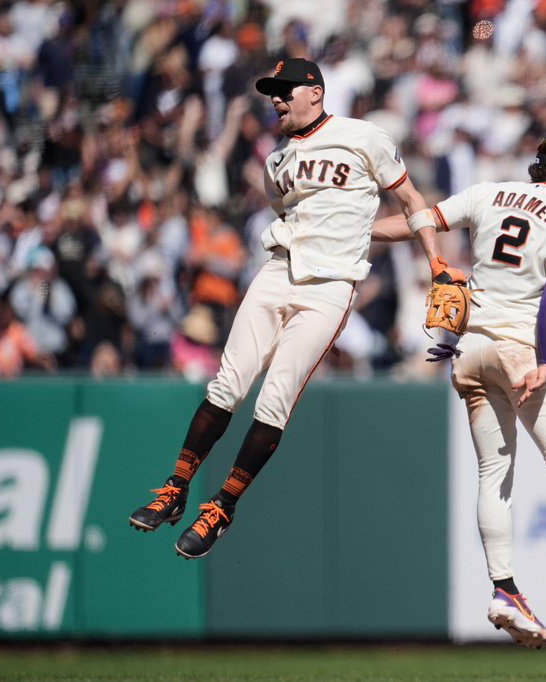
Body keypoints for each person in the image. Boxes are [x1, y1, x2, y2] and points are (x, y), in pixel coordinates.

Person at [129, 58, 464, 559]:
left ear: (316, 91)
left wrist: (437, 263)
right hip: (277, 270)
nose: (278, 99)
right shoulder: (275, 162)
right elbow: (305, 216)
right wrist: (353, 226)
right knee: (226, 385)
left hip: (331, 287)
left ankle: (222, 506)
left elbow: (412, 200)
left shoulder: (363, 136)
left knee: (274, 401)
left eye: (287, 90)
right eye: (272, 92)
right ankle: (176, 489)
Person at [373, 137, 546, 647]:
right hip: (518, 349)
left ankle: (503, 589)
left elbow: (418, 220)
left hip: (469, 348)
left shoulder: (487, 193)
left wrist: (353, 230)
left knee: (494, 473)